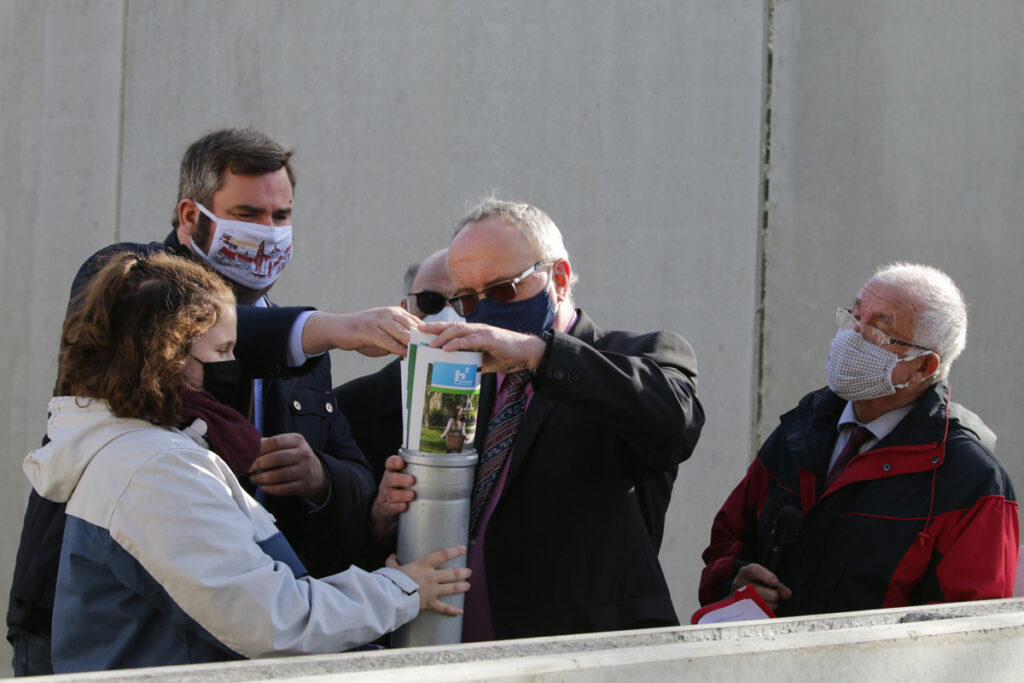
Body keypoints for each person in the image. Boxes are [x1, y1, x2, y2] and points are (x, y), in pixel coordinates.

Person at [7, 128, 421, 675]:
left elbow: (352, 475)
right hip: (99, 618)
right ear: (190, 216)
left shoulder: (306, 346)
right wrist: (325, 328)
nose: (268, 233)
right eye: (248, 214)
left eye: (281, 216)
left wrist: (318, 476)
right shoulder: (126, 278)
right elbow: (180, 319)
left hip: (241, 626)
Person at [22, 251, 469, 673]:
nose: (233, 366)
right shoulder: (153, 470)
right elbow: (274, 620)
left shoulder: (139, 451)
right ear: (166, 357)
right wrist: (401, 590)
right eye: (221, 352)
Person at [371, 198, 705, 641]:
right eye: (468, 299)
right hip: (453, 648)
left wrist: (538, 355)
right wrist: (385, 515)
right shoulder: (462, 376)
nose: (483, 310)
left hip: (582, 653)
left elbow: (675, 422)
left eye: (504, 289)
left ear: (560, 278)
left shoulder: (631, 355)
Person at [699, 263, 1019, 616]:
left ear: (923, 367)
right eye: (854, 317)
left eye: (878, 332)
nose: (852, 336)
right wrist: (733, 579)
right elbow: (726, 538)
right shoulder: (803, 427)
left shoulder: (971, 481)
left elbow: (966, 639)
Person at [334, 248, 460, 483]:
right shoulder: (346, 408)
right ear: (405, 309)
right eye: (430, 301)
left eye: (464, 301)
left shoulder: (507, 407)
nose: (447, 316)